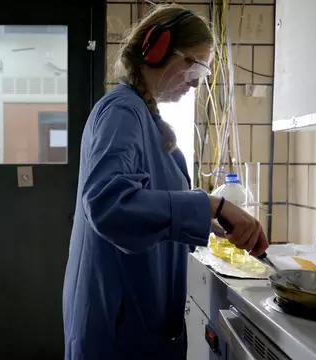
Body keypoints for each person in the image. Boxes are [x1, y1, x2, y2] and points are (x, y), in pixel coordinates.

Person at [62, 5, 268, 359]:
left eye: (202, 69)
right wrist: (210, 204)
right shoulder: (121, 112)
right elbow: (110, 205)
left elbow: (155, 205)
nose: (196, 80)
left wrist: (211, 223)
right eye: (195, 65)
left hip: (140, 320)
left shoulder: (146, 121)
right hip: (116, 326)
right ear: (156, 50)